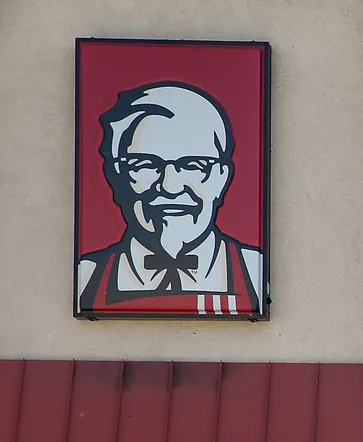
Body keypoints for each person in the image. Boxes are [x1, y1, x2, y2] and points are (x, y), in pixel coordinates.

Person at [77, 83, 265, 316]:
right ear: (115, 176)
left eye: (193, 165)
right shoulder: (85, 278)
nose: (170, 186)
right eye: (145, 164)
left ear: (222, 178)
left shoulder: (257, 271)